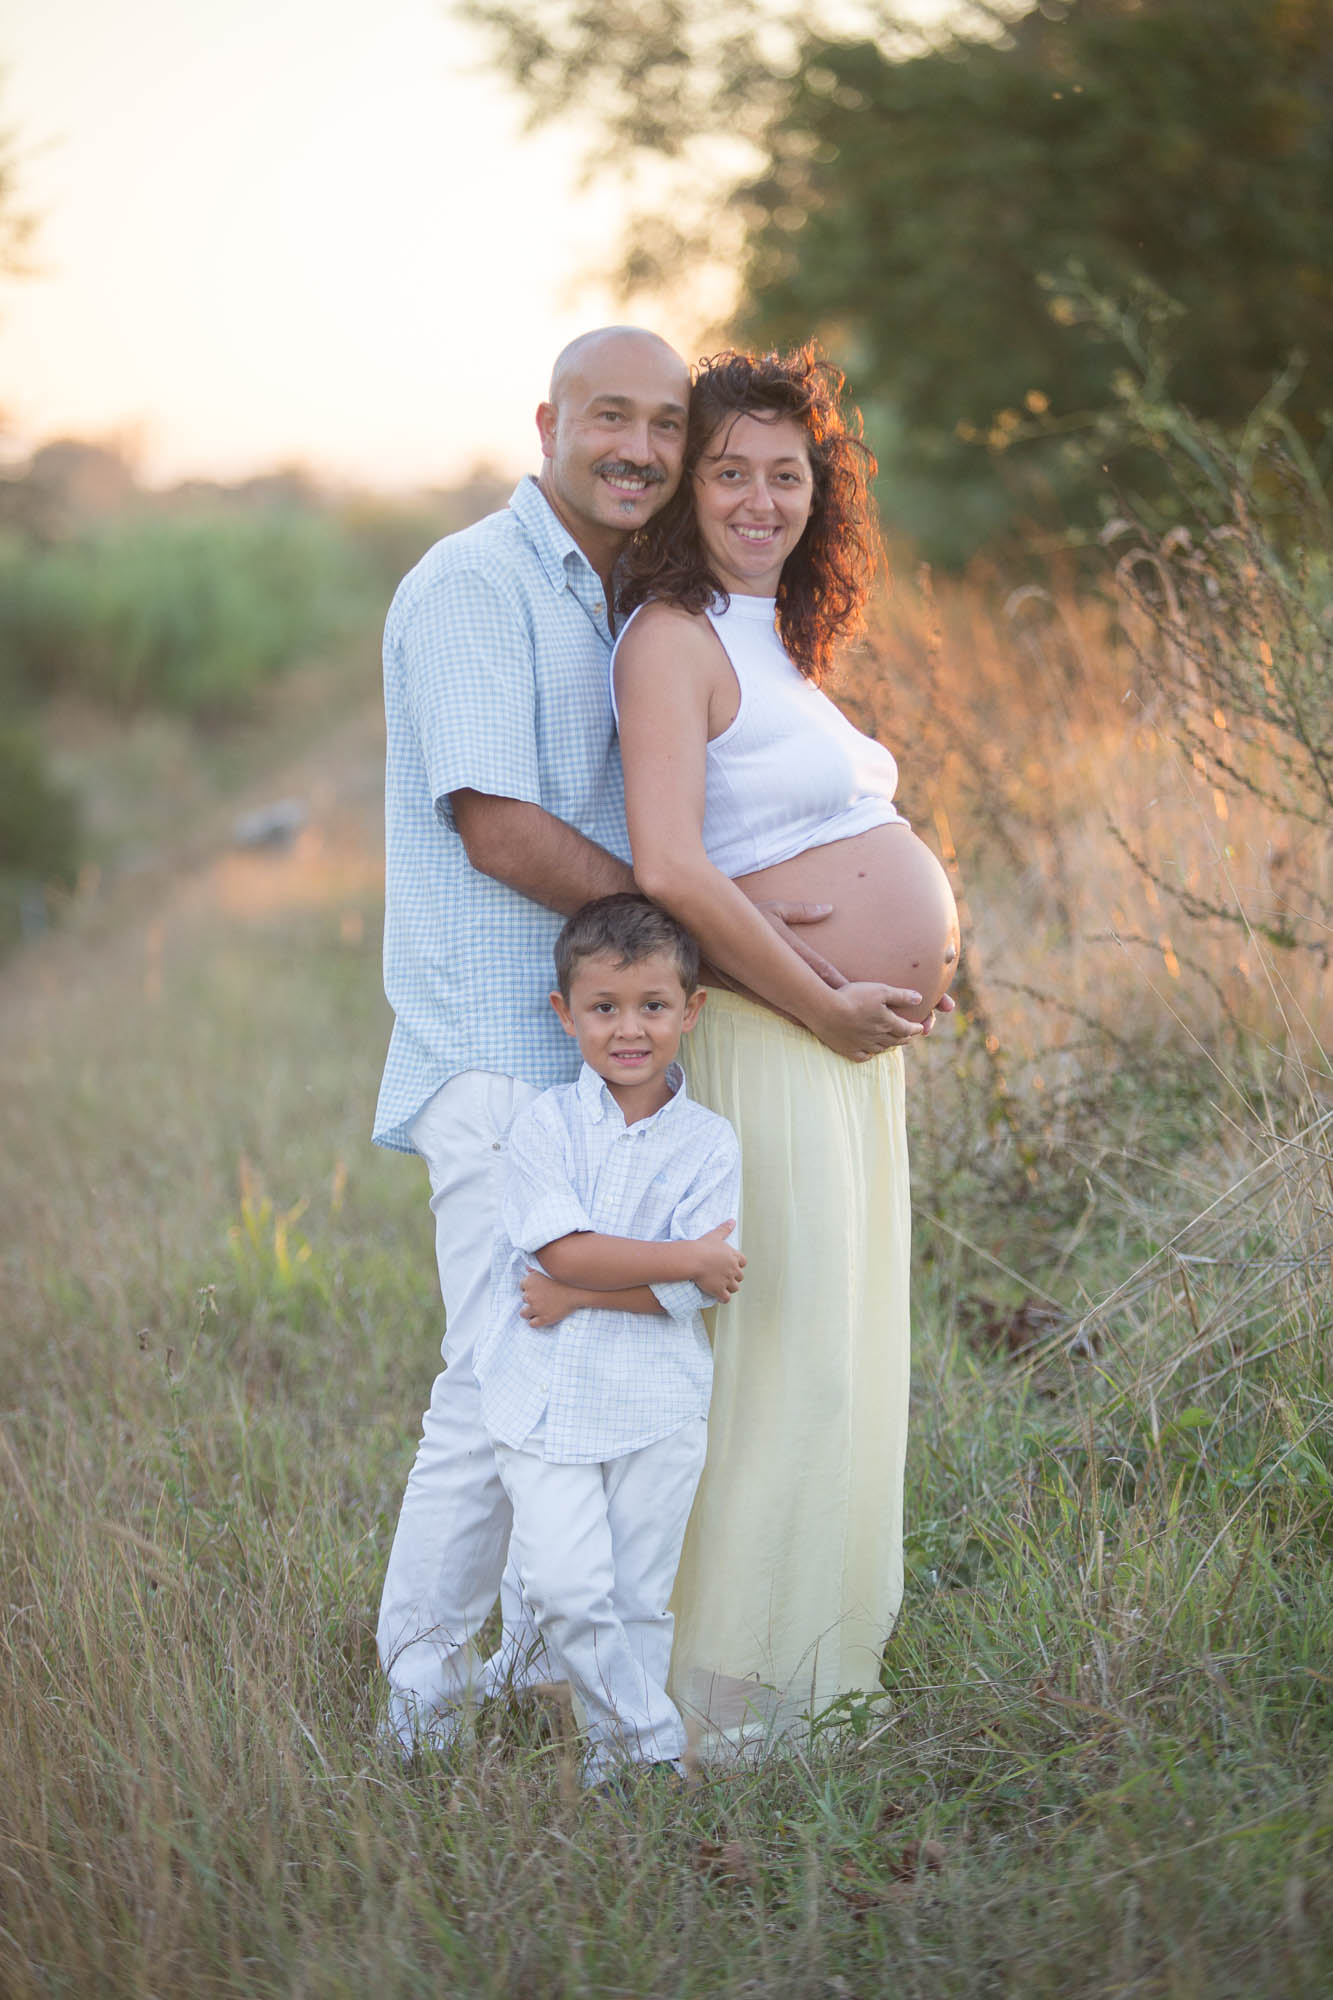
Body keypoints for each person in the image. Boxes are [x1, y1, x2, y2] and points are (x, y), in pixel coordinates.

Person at [611, 345, 955, 1749]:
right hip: (773, 1045)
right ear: (686, 487)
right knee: (781, 1371)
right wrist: (821, 995)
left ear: (823, 489)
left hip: (839, 1055)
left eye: (787, 474)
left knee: (844, 1360)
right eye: (730, 472)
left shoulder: (777, 638)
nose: (761, 500)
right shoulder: (672, 640)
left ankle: (810, 1676)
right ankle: (721, 1708)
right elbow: (669, 869)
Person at [373, 326, 691, 1756]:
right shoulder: (476, 586)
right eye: (609, 416)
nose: (638, 448)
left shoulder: (615, 601)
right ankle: (419, 1705)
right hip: (499, 1059)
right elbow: (497, 827)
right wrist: (695, 947)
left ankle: (520, 1674)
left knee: (566, 1382)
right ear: (549, 420)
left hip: (585, 1064)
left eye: (664, 425)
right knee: (496, 1384)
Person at [473, 893, 742, 1785]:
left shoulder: (709, 1144)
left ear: (689, 1011)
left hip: (657, 1402)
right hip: (544, 1400)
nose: (629, 1030)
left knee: (635, 1599)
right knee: (566, 1585)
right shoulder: (544, 1125)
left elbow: (701, 1294)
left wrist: (584, 1291)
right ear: (566, 1014)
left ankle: (607, 1761)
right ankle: (648, 1749)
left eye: (653, 1006)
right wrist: (677, 1263)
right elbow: (563, 1250)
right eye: (604, 1008)